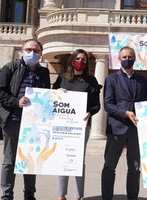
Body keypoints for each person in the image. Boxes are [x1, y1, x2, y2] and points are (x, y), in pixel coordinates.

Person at [0, 39, 50, 200]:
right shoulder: (10, 68)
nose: (32, 53)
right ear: (22, 51)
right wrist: (16, 102)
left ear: (40, 54)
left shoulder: (44, 72)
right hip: (13, 119)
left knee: (30, 159)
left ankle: (29, 194)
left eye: (36, 50)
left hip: (34, 123)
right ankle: (7, 194)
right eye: (28, 49)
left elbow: (47, 95)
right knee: (10, 159)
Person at [101, 46, 147, 200]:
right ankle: (107, 198)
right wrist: (125, 113)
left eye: (130, 57)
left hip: (136, 130)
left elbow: (146, 101)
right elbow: (108, 105)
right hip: (117, 128)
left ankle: (132, 198)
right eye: (124, 57)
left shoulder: (142, 80)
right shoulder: (111, 79)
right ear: (119, 59)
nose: (127, 59)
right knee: (109, 167)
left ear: (134, 59)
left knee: (135, 168)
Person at [52, 49, 102, 200]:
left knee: (78, 160)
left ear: (86, 64)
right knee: (63, 159)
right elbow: (51, 99)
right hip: (62, 126)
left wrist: (89, 113)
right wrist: (56, 93)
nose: (80, 62)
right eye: (78, 59)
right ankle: (61, 195)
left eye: (84, 60)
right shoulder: (61, 78)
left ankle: (78, 196)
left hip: (81, 127)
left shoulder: (91, 81)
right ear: (72, 60)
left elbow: (96, 105)